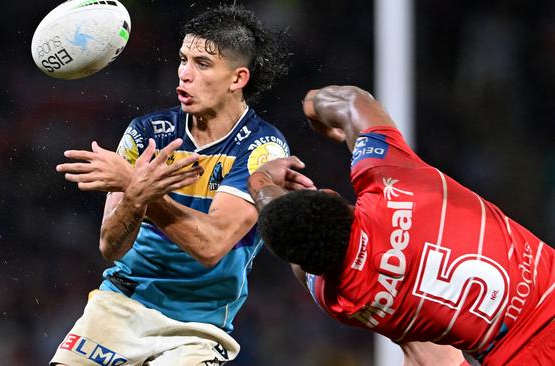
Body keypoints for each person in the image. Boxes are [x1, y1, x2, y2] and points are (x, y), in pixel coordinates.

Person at [49, 5, 303, 366]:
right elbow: (111, 246)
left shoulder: (261, 149)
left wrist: (138, 188)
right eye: (183, 60)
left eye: (201, 64)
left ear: (237, 78)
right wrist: (135, 193)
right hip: (121, 304)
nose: (184, 74)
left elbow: (212, 245)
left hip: (199, 325)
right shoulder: (145, 133)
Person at [248, 85, 555, 365]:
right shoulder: (391, 180)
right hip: (549, 291)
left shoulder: (345, 299)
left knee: (421, 348)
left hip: (515, 358)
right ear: (330, 194)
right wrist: (312, 106)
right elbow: (353, 101)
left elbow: (299, 256)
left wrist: (259, 185)